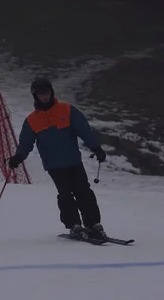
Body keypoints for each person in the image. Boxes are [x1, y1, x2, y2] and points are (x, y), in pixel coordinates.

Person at [7, 78, 107, 240]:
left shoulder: (67, 110)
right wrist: (18, 158)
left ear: (51, 92)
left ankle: (93, 224)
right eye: (41, 94)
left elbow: (84, 130)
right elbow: (26, 143)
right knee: (65, 194)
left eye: (47, 93)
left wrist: (96, 148)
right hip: (54, 165)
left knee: (84, 192)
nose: (45, 97)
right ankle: (74, 225)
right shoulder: (32, 120)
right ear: (35, 96)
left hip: (73, 160)